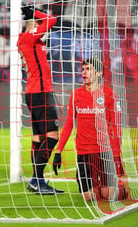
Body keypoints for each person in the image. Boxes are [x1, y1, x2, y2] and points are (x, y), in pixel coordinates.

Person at [52, 58, 128, 201]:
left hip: (104, 152)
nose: (84, 72)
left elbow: (117, 128)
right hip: (84, 152)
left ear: (99, 73)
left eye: (89, 69)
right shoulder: (76, 95)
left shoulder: (109, 94)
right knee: (89, 198)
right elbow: (69, 124)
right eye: (83, 69)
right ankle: (97, 185)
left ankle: (118, 186)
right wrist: (58, 150)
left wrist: (116, 155)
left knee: (108, 196)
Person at [17, 5, 63, 195]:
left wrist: (32, 15)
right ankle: (36, 179)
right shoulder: (29, 38)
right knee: (52, 136)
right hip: (40, 93)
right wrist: (34, 12)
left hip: (36, 92)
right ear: (34, 25)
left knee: (39, 138)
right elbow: (51, 20)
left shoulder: (31, 41)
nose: (43, 29)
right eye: (39, 25)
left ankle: (38, 181)